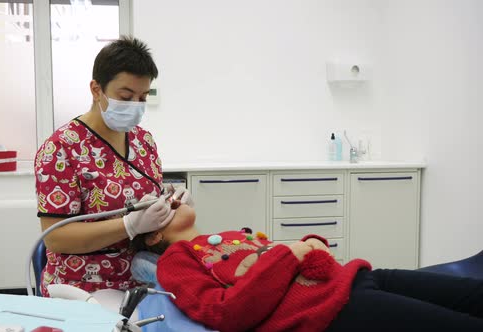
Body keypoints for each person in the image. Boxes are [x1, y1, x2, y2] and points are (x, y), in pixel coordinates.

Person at [131, 202, 483, 332]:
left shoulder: (228, 235)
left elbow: (279, 260)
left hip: (357, 278)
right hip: (333, 309)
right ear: (153, 235)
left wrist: (308, 244)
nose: (171, 197)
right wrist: (292, 255)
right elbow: (226, 313)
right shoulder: (176, 262)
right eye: (161, 202)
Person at [34, 36, 193, 298]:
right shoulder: (62, 149)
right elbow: (56, 237)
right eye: (126, 96)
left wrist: (170, 203)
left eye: (143, 97)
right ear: (96, 90)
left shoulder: (144, 141)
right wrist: (128, 225)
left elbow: (139, 198)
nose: (136, 106)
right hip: (83, 287)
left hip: (142, 279)